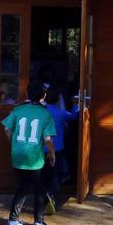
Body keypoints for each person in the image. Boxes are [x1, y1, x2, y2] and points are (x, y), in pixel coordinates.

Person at [2, 81, 56, 225]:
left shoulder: (18, 110)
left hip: (18, 155)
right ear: (43, 96)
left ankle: (12, 222)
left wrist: (14, 142)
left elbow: (7, 129)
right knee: (39, 190)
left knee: (22, 188)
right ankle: (38, 223)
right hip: (35, 158)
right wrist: (52, 154)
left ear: (27, 95)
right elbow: (47, 139)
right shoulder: (45, 114)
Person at [42, 86, 79, 214]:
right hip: (57, 149)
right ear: (58, 99)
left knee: (43, 174)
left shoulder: (41, 112)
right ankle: (51, 196)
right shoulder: (61, 113)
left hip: (41, 149)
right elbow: (74, 117)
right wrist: (76, 105)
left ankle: (42, 197)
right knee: (56, 175)